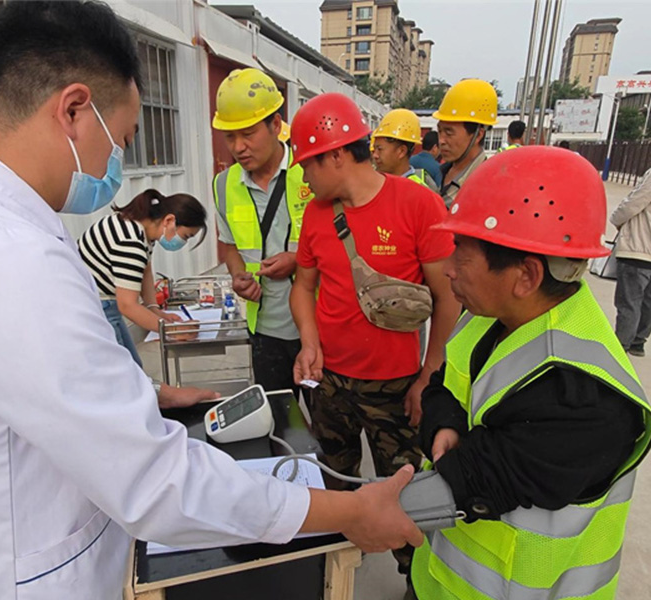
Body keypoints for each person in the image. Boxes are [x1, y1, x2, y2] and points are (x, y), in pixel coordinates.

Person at [0, 3, 423, 599]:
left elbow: (37, 385)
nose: (116, 165)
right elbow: (157, 482)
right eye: (123, 139)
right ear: (74, 110)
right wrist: (347, 513)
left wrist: (145, 394)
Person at [410, 146, 651, 600]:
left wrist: (357, 513)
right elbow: (445, 383)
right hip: (441, 582)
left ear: (526, 274)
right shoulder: (489, 312)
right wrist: (442, 423)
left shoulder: (586, 398)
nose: (447, 270)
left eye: (462, 253)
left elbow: (481, 479)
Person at [289, 93, 460, 577]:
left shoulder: (417, 205)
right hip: (330, 385)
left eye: (307, 165)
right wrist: (309, 339)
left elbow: (448, 298)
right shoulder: (318, 214)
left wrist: (430, 373)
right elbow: (303, 286)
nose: (303, 177)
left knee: (404, 492)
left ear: (337, 155)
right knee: (335, 483)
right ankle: (340, 564)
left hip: (395, 387)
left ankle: (417, 577)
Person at [212, 68, 314, 395]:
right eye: (230, 137)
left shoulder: (311, 170)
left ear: (275, 126)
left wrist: (298, 260)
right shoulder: (224, 185)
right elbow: (229, 246)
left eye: (248, 133)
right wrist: (239, 276)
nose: (239, 147)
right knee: (279, 421)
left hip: (319, 326)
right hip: (265, 330)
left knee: (325, 431)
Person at [77, 188, 207, 366]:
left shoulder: (137, 226)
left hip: (101, 303)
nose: (183, 242)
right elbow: (127, 305)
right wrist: (171, 329)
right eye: (186, 236)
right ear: (169, 220)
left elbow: (145, 269)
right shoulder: (131, 242)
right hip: (97, 308)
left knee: (133, 368)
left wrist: (154, 309)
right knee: (125, 374)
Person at [434, 79, 498, 208]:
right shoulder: (438, 173)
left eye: (449, 132)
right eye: (440, 131)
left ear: (478, 135)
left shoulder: (487, 187)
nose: (441, 140)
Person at [611, 167, 651, 357]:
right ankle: (638, 342)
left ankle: (622, 345)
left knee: (629, 301)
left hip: (639, 248)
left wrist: (615, 219)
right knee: (648, 302)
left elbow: (634, 203)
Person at [371, 108, 440, 193]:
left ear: (401, 151)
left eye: (380, 149)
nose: (375, 155)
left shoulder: (420, 191)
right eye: (374, 149)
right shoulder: (372, 185)